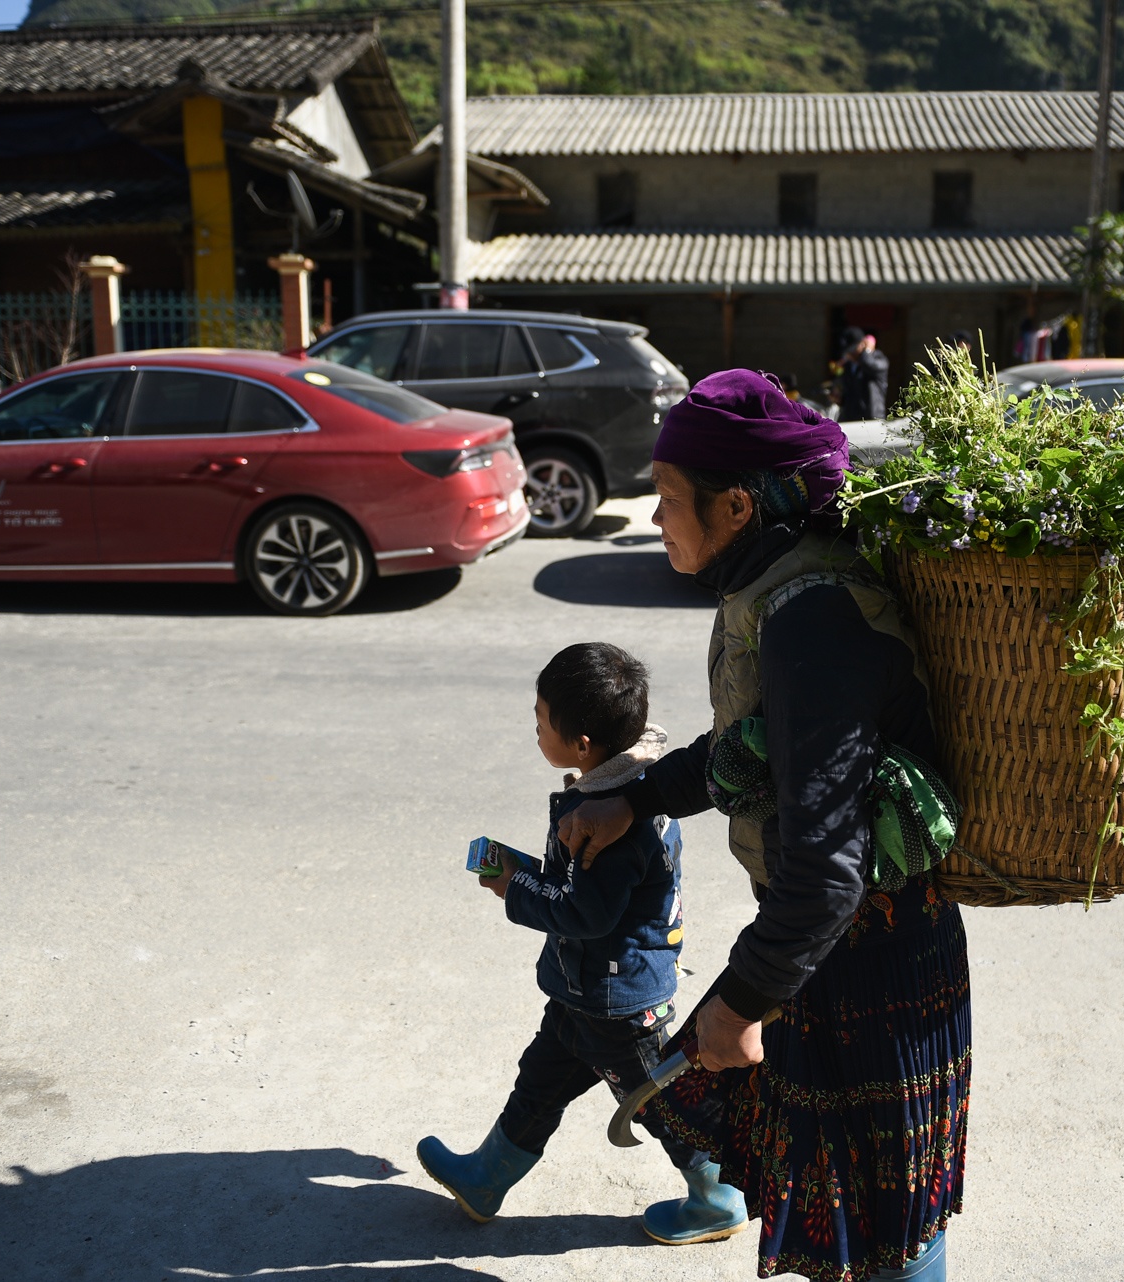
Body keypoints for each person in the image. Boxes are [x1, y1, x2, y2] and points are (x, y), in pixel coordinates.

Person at [559, 371, 970, 1281]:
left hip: (862, 955)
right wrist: (638, 795)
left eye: (668, 499)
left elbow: (828, 869)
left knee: (882, 1219)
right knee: (858, 1203)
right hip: (844, 943)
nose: (656, 516)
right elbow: (755, 745)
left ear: (736, 505)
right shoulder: (783, 585)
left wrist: (745, 1002)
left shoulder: (811, 617)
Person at [415, 643, 747, 1245]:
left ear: (584, 744)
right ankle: (486, 1179)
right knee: (539, 1082)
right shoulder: (627, 791)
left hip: (617, 1000)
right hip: (583, 992)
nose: (535, 729)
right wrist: (524, 869)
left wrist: (511, 890)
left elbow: (583, 913)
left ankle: (718, 1196)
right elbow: (579, 890)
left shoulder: (608, 821)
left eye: (541, 720)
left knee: (657, 1101)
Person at [832, 327, 890, 421]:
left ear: (863, 344)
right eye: (848, 352)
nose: (851, 354)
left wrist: (867, 351)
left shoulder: (878, 359)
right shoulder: (848, 366)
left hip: (871, 419)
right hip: (851, 419)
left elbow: (870, 366)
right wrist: (839, 397)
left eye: (853, 349)